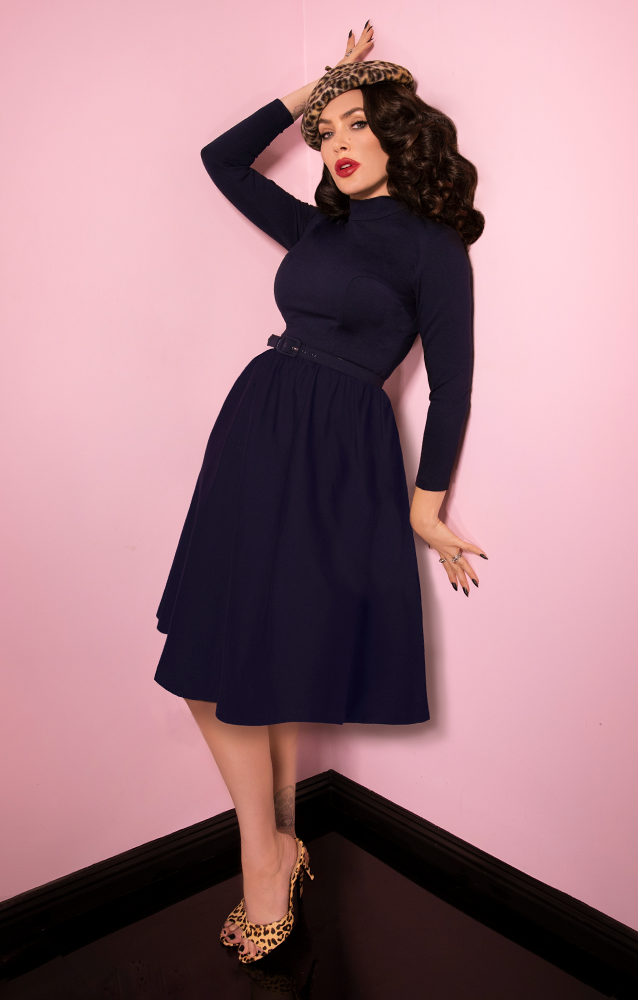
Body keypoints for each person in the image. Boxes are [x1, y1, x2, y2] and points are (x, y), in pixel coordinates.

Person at [153, 23, 487, 963]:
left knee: (267, 648)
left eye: (356, 124)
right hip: (255, 428)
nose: (335, 143)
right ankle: (271, 845)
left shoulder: (433, 247)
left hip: (336, 450)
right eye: (325, 131)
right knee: (209, 649)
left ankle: (266, 859)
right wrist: (320, 84)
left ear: (398, 133)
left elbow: (453, 387)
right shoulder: (319, 227)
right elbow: (221, 160)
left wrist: (426, 505)